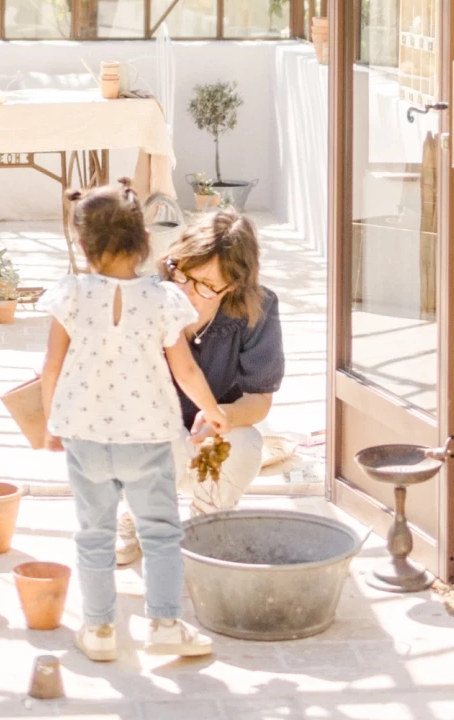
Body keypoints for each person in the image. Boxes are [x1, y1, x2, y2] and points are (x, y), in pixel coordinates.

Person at [39, 181, 229, 664]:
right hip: (148, 437)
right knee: (160, 533)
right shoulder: (162, 298)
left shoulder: (71, 294)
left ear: (82, 243)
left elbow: (52, 367)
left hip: (85, 435)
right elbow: (186, 371)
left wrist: (51, 423)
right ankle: (164, 625)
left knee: (94, 534)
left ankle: (100, 629)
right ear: (145, 240)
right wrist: (212, 410)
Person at [116, 207, 285, 566]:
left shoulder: (258, 308)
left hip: (213, 436)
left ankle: (206, 523)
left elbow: (259, 400)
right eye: (183, 274)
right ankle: (135, 514)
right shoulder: (148, 297)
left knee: (246, 442)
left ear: (234, 284)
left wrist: (222, 415)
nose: (188, 291)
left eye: (206, 285)